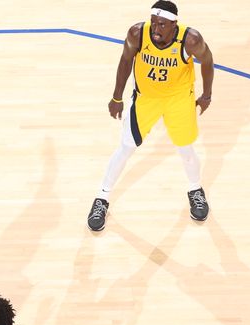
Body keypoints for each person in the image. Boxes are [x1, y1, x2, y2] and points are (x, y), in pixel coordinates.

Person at [87, 0, 215, 231]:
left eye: (162, 25)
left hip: (179, 100)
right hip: (146, 99)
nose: (156, 29)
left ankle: (195, 189)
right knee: (125, 147)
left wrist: (206, 95)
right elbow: (126, 60)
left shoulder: (190, 39)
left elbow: (207, 60)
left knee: (185, 148)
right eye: (154, 23)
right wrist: (117, 97)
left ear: (174, 24)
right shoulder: (138, 33)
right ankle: (102, 198)